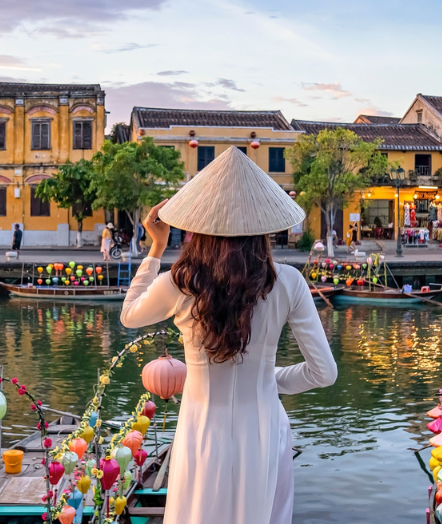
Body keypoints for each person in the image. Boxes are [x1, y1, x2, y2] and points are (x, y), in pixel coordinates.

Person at [120, 147, 337, 524]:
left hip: (201, 428)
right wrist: (266, 379)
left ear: (200, 224)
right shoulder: (288, 281)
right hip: (266, 428)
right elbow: (324, 373)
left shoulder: (182, 283)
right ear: (263, 225)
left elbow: (130, 315)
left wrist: (156, 246)